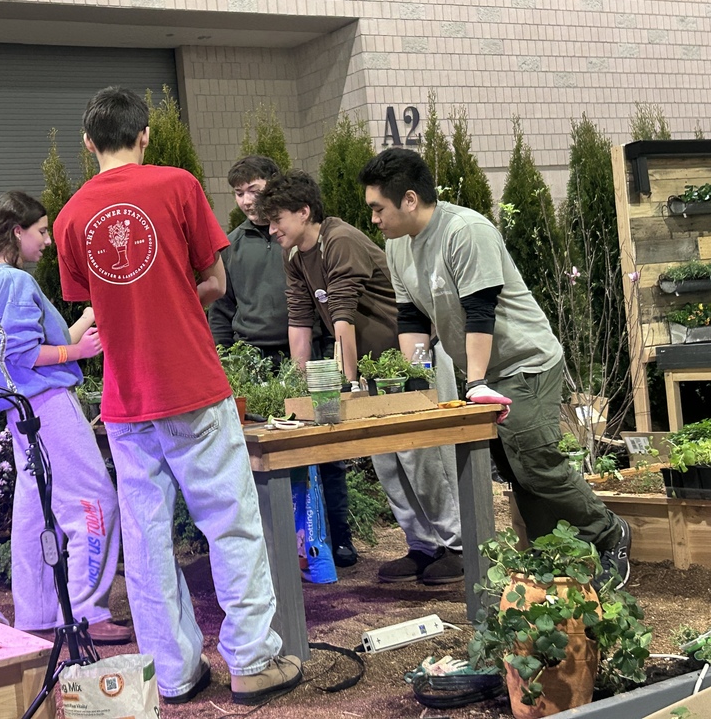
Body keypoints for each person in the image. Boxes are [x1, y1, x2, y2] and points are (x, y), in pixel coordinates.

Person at [52, 86, 301, 706]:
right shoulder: (178, 186)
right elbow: (214, 280)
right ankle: (250, 661)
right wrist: (178, 306)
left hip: (125, 398)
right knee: (232, 525)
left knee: (145, 541)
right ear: (144, 136)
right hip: (190, 383)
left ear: (88, 144)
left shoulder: (69, 218)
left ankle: (174, 673)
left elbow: (97, 311)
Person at [358, 147, 632, 588]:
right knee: (516, 471)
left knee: (535, 460)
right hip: (485, 373)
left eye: (377, 208)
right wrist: (419, 381)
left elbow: (481, 311)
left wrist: (479, 381)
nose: (373, 218)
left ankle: (609, 532)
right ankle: (553, 560)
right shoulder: (396, 248)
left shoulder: (466, 230)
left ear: (409, 199)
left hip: (526, 362)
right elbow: (410, 317)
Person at [255, 170, 466, 585]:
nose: (272, 228)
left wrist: (347, 383)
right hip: (370, 368)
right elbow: (300, 322)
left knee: (421, 455)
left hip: (409, 359)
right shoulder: (294, 254)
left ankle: (458, 546)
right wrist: (299, 388)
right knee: (387, 460)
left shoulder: (340, 240)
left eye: (278, 218)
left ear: (304, 211)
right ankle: (422, 546)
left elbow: (343, 319)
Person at [0, 190, 132, 644]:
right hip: (47, 407)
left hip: (22, 412)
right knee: (96, 502)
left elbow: (21, 346)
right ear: (16, 232)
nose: (47, 241)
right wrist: (77, 350)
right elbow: (23, 353)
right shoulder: (16, 283)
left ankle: (38, 615)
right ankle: (88, 611)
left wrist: (85, 320)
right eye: (41, 231)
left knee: (35, 516)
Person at [207, 155, 356, 568]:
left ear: (274, 188)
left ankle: (337, 538)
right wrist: (225, 361)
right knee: (255, 458)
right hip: (253, 359)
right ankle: (271, 547)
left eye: (253, 190)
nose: (246, 200)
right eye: (238, 193)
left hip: (310, 357)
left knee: (324, 450)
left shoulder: (305, 238)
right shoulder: (230, 245)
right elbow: (221, 310)